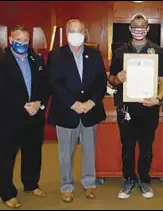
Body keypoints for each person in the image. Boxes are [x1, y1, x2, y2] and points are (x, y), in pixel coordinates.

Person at [108, 13, 163, 199]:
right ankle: (129, 179)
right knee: (127, 146)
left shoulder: (158, 52)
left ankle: (144, 180)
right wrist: (116, 79)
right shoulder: (119, 52)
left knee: (146, 147)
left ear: (148, 28)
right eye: (135, 26)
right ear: (130, 28)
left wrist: (158, 99)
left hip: (148, 108)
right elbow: (111, 80)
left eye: (142, 26)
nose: (139, 30)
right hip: (125, 109)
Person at [47, 19, 107, 203]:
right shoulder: (56, 55)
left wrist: (91, 102)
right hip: (66, 111)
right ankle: (66, 186)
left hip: (90, 111)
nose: (75, 34)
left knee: (89, 150)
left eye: (79, 30)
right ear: (66, 33)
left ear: (85, 32)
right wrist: (73, 103)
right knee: (66, 153)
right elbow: (54, 83)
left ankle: (89, 184)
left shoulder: (94, 54)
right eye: (72, 31)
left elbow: (101, 82)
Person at [0, 25, 49, 208]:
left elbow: (45, 86)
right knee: (6, 158)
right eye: (18, 40)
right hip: (9, 119)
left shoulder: (37, 59)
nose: (22, 43)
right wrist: (23, 106)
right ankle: (7, 193)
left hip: (34, 117)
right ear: (10, 40)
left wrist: (39, 103)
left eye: (25, 40)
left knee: (32, 154)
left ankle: (31, 184)